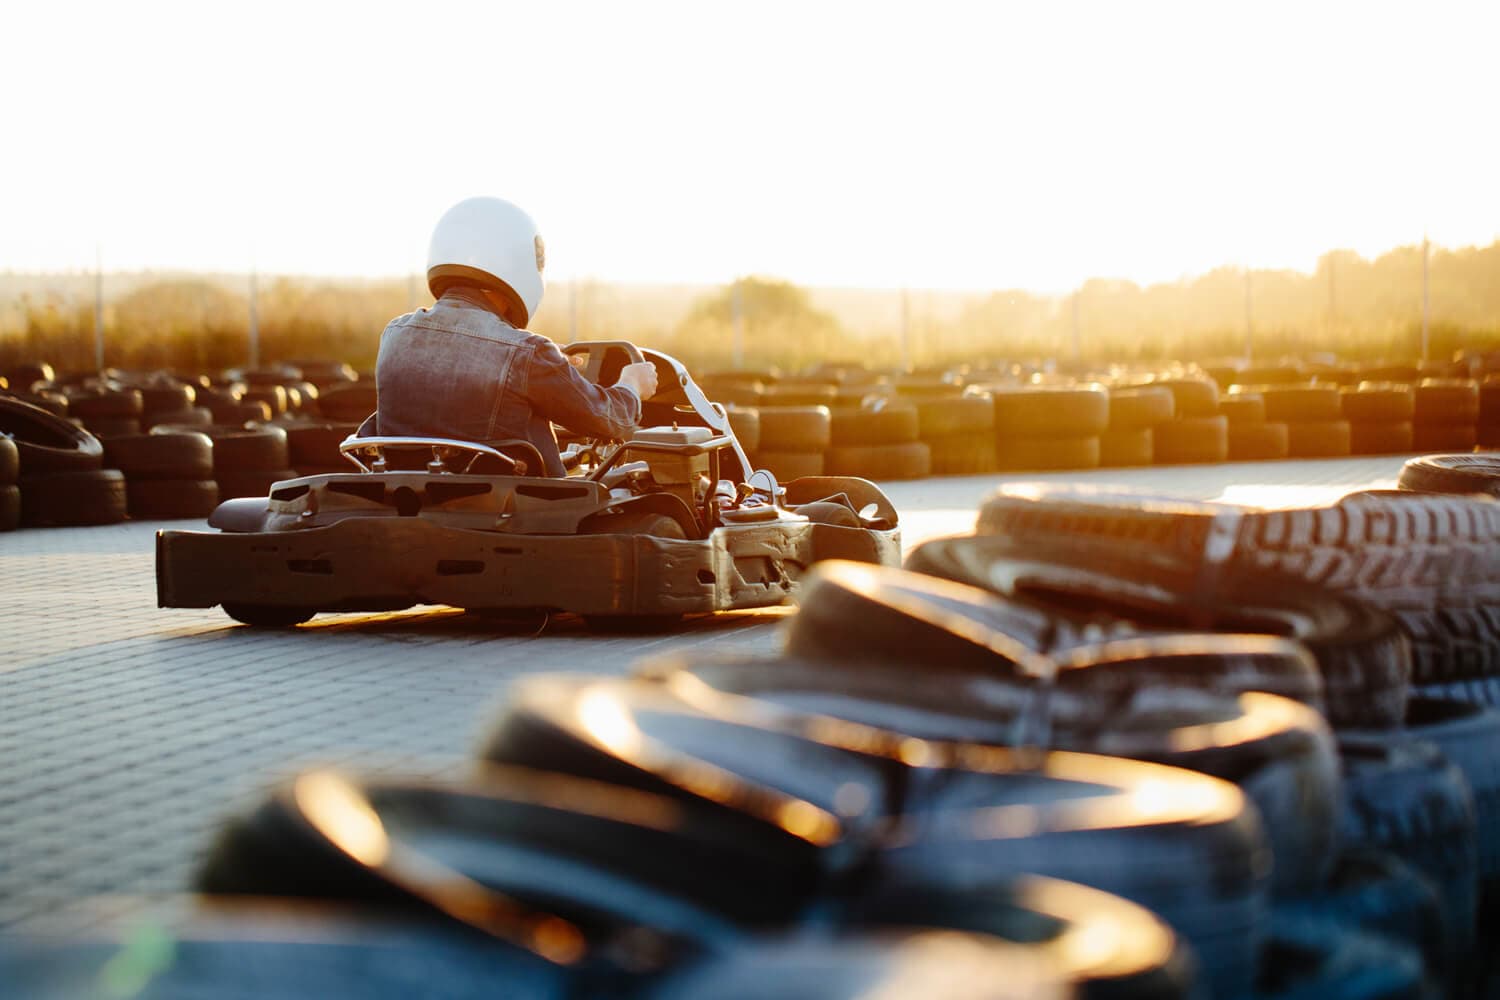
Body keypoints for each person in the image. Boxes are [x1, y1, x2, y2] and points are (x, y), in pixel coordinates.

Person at [365, 196, 658, 476]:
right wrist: (631, 385)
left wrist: (544, 362)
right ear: (515, 262)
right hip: (517, 512)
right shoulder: (527, 353)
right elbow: (607, 420)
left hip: (407, 500)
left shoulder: (394, 336)